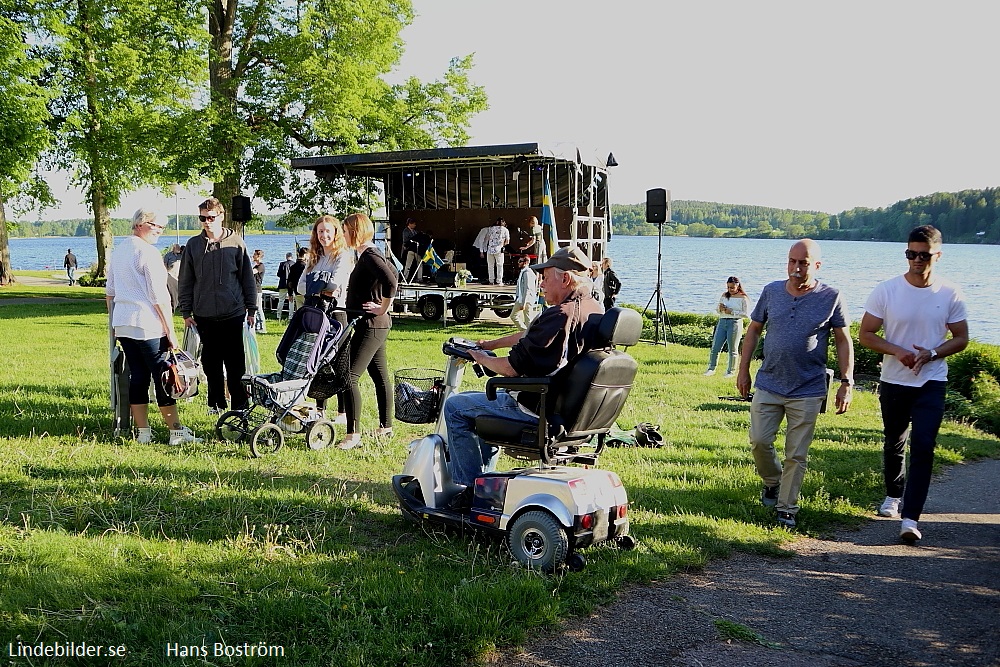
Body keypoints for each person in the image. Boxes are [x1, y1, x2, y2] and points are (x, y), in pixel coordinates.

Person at [444, 246, 605, 495]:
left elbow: (509, 369)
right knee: (481, 405)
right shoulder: (592, 309)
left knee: (455, 406)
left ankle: (470, 490)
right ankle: (485, 483)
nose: (541, 282)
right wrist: (491, 345)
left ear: (565, 279)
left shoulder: (560, 316)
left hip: (536, 408)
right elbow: (534, 334)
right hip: (570, 412)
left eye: (545, 276)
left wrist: (476, 356)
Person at [859, 225, 968, 543]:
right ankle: (893, 495)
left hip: (932, 381)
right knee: (895, 441)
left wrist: (933, 353)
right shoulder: (887, 290)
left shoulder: (950, 293)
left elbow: (961, 338)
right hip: (894, 380)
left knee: (923, 445)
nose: (916, 260)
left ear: (938, 255)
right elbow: (866, 334)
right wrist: (898, 351)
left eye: (923, 255)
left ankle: (910, 518)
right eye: (911, 254)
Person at [736, 239, 854, 529]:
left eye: (803, 263)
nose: (796, 268)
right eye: (792, 261)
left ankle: (786, 508)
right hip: (769, 382)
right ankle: (772, 482)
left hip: (808, 387)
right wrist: (743, 369)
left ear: (816, 265)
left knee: (796, 454)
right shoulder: (772, 291)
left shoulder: (831, 296)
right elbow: (753, 331)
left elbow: (843, 340)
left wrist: (846, 381)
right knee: (759, 441)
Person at [106, 209, 201, 445]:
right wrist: (170, 331)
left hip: (125, 322)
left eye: (162, 227)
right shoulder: (148, 253)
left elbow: (110, 292)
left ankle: (143, 432)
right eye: (155, 225)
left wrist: (113, 322)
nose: (159, 230)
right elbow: (159, 297)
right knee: (164, 375)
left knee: (138, 375)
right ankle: (176, 432)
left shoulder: (120, 250)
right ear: (139, 224)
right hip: (147, 323)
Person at [177, 197, 258, 414]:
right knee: (210, 365)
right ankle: (215, 404)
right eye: (202, 218)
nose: (207, 222)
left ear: (221, 216)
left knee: (235, 366)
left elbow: (247, 278)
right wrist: (186, 311)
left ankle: (240, 406)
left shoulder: (236, 243)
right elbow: (185, 280)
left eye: (211, 217)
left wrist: (251, 309)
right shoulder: (194, 245)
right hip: (204, 315)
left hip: (233, 314)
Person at [339, 212, 398, 450]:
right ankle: (386, 427)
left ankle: (353, 434)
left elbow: (391, 281)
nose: (342, 236)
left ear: (354, 231)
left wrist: (383, 306)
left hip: (371, 324)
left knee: (348, 376)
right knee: (379, 376)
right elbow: (393, 275)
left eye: (344, 231)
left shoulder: (370, 255)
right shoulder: (370, 254)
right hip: (373, 324)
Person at [298, 215, 354, 424]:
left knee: (339, 362)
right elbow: (300, 286)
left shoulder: (343, 256)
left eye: (327, 231)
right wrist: (322, 287)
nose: (323, 235)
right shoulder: (315, 258)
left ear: (336, 232)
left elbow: (335, 284)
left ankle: (343, 412)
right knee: (319, 360)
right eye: (320, 231)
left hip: (337, 313)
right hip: (316, 312)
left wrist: (320, 287)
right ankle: (319, 407)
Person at [704, 276, 750, 378]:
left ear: (737, 286)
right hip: (722, 322)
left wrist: (732, 312)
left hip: (735, 323)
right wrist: (720, 309)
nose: (730, 290)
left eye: (732, 288)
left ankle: (730, 371)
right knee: (715, 347)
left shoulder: (743, 298)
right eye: (728, 287)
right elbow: (717, 309)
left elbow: (746, 314)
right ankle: (711, 368)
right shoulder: (724, 295)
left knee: (732, 349)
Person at [509, 255, 539, 330]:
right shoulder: (523, 272)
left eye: (520, 261)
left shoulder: (527, 273)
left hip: (526, 300)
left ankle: (528, 334)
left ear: (526, 262)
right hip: (521, 299)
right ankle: (526, 332)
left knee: (527, 319)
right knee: (514, 316)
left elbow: (527, 288)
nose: (518, 263)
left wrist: (523, 302)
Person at [483, 217, 510, 285]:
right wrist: (502, 244)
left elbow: (488, 238)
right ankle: (499, 281)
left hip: (490, 249)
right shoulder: (505, 230)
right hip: (499, 249)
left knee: (490, 265)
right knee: (500, 265)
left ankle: (491, 280)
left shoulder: (490, 228)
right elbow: (507, 241)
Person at [401, 218, 423, 283]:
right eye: (413, 224)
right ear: (410, 224)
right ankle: (405, 277)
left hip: (416, 249)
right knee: (408, 264)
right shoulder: (405, 231)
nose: (415, 225)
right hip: (409, 249)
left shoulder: (415, 231)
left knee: (419, 264)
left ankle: (419, 278)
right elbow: (405, 241)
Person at [163, 243, 183, 311]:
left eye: (179, 248)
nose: (179, 249)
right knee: (172, 291)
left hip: (179, 275)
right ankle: (172, 304)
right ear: (174, 248)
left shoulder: (182, 255)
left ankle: (180, 304)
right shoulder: (168, 255)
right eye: (177, 248)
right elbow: (165, 264)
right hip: (171, 275)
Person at [251, 249, 267, 333]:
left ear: (258, 256)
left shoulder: (260, 266)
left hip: (257, 289)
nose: (253, 256)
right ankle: (257, 326)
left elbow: (252, 272)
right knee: (255, 308)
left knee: (259, 308)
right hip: (254, 289)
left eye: (254, 255)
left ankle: (262, 327)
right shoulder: (255, 266)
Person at [287, 247, 307, 312]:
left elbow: (289, 281)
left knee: (299, 311)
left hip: (296, 291)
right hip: (305, 292)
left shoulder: (293, 266)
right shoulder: (305, 267)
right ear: (305, 255)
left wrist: (290, 293)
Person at [275, 251, 294, 320]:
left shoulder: (282, 264)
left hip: (283, 283)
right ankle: (290, 316)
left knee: (281, 300)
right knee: (291, 301)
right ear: (292, 257)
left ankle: (278, 315)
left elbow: (278, 274)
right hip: (291, 285)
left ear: (286, 257)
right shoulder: (294, 264)